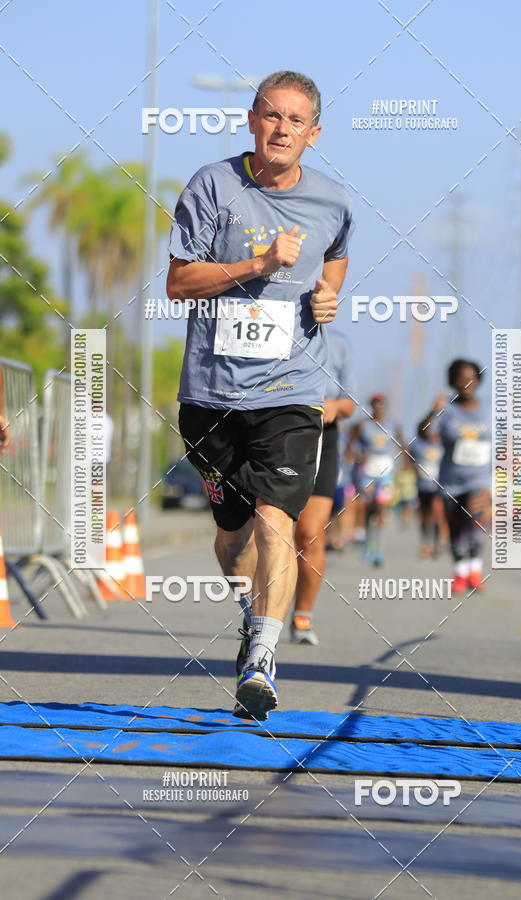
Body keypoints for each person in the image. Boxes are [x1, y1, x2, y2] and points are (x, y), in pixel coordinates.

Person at [167, 71, 354, 720]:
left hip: (293, 391)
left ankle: (263, 659)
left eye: (295, 121)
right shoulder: (213, 187)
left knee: (278, 523)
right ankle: (251, 612)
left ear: (314, 134)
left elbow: (336, 252)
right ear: (251, 120)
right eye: (271, 116)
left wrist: (328, 293)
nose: (281, 129)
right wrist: (258, 266)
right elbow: (179, 284)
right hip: (212, 395)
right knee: (233, 537)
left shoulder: (331, 202)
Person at [291, 327, 356, 645]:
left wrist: (335, 406)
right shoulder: (277, 329)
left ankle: (302, 615)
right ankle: (260, 616)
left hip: (323, 439)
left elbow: (350, 404)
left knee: (309, 535)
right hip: (279, 435)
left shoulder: (340, 343)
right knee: (271, 534)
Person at [422, 360, 491, 594]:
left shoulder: (489, 410)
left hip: (479, 479)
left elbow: (505, 441)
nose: (466, 383)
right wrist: (433, 410)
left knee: (475, 518)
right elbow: (422, 435)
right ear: (453, 381)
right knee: (454, 527)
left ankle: (475, 570)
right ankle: (460, 572)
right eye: (461, 378)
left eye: (471, 377)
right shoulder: (447, 410)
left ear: (479, 380)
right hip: (451, 481)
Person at [352, 394, 401, 566]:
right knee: (367, 510)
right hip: (367, 473)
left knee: (381, 508)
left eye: (382, 404)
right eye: (376, 404)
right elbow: (349, 447)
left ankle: (378, 551)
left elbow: (403, 445)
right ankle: (368, 546)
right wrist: (358, 457)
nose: (379, 407)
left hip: (386, 473)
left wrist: (406, 465)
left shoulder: (393, 425)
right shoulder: (362, 425)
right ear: (371, 406)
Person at [413, 393, 446, 557]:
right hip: (423, 485)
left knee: (438, 511)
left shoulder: (442, 444)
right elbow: (422, 426)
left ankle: (437, 543)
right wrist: (434, 410)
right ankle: (425, 543)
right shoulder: (420, 444)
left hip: (439, 485)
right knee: (425, 515)